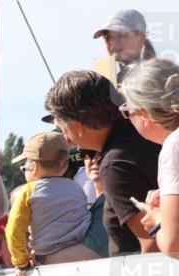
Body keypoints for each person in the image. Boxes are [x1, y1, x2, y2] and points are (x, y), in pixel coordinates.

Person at [45, 69, 160, 255]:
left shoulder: (115, 164)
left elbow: (152, 244)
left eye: (62, 128)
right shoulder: (146, 133)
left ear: (77, 127)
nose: (65, 138)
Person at [6, 131, 100, 276]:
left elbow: (13, 231)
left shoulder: (27, 192)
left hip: (46, 260)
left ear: (34, 167)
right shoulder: (76, 188)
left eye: (24, 167)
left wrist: (21, 263)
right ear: (65, 165)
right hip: (82, 256)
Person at [120, 58, 179, 255]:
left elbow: (173, 241)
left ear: (144, 114)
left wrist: (158, 219)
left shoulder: (173, 146)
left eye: (127, 111)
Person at [92, 10, 156, 86]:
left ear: (141, 38)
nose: (113, 42)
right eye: (108, 37)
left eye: (121, 36)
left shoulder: (154, 76)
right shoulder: (115, 76)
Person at [79, 149, 111, 258]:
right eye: (88, 155)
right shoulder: (88, 204)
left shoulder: (112, 202)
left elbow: (93, 252)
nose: (94, 160)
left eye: (101, 154)